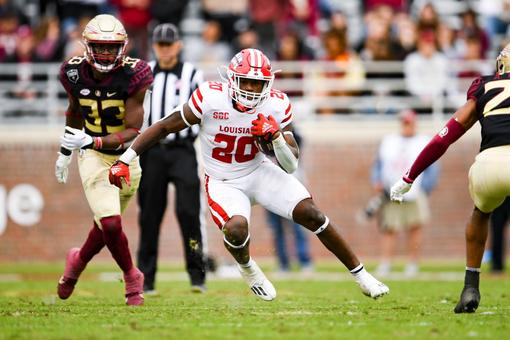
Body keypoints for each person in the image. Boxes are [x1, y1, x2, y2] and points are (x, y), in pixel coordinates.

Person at [109, 48, 389, 301]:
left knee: (312, 213)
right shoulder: (210, 97)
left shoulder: (276, 104)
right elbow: (163, 127)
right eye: (247, 82)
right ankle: (248, 268)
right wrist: (125, 158)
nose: (253, 89)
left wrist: (277, 138)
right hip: (223, 180)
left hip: (258, 171)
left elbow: (290, 165)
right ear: (233, 79)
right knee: (236, 228)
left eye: (259, 83)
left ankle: (362, 276)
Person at [390, 43, 510, 313]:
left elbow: (444, 138)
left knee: (481, 213)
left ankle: (471, 285)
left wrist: (409, 177)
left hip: (491, 166)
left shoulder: (485, 87)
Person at [54, 14, 153, 306]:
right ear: (87, 46)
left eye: (112, 47)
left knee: (105, 224)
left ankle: (77, 262)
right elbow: (74, 111)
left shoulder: (136, 74)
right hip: (94, 158)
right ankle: (132, 277)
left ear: (123, 47)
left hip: (126, 157)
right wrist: (64, 153)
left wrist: (92, 139)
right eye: (100, 46)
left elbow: (134, 130)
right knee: (110, 223)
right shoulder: (72, 72)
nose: (106, 53)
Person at [137, 23, 207, 294]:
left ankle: (197, 274)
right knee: (150, 215)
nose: (164, 50)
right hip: (153, 151)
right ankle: (146, 278)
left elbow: (203, 112)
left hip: (182, 150)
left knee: (188, 212)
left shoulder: (192, 74)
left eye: (169, 44)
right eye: (160, 45)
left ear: (178, 45)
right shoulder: (145, 74)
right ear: (154, 46)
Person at [371, 110, 438, 277]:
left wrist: (425, 188)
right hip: (391, 191)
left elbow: (433, 167)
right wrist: (377, 181)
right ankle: (386, 262)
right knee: (389, 228)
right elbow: (378, 163)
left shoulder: (423, 141)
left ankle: (412, 263)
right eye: (404, 122)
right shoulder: (390, 141)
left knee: (415, 227)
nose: (406, 126)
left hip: (415, 191)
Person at [265, 130, 313, 273]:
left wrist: (279, 136)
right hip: (270, 191)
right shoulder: (265, 149)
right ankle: (283, 263)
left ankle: (304, 260)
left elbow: (297, 140)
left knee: (298, 227)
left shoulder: (290, 137)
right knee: (277, 229)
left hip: (290, 190)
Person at [489, 197, 510, 273]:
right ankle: (496, 265)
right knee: (497, 231)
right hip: (500, 196)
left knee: (497, 231)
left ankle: (496, 265)